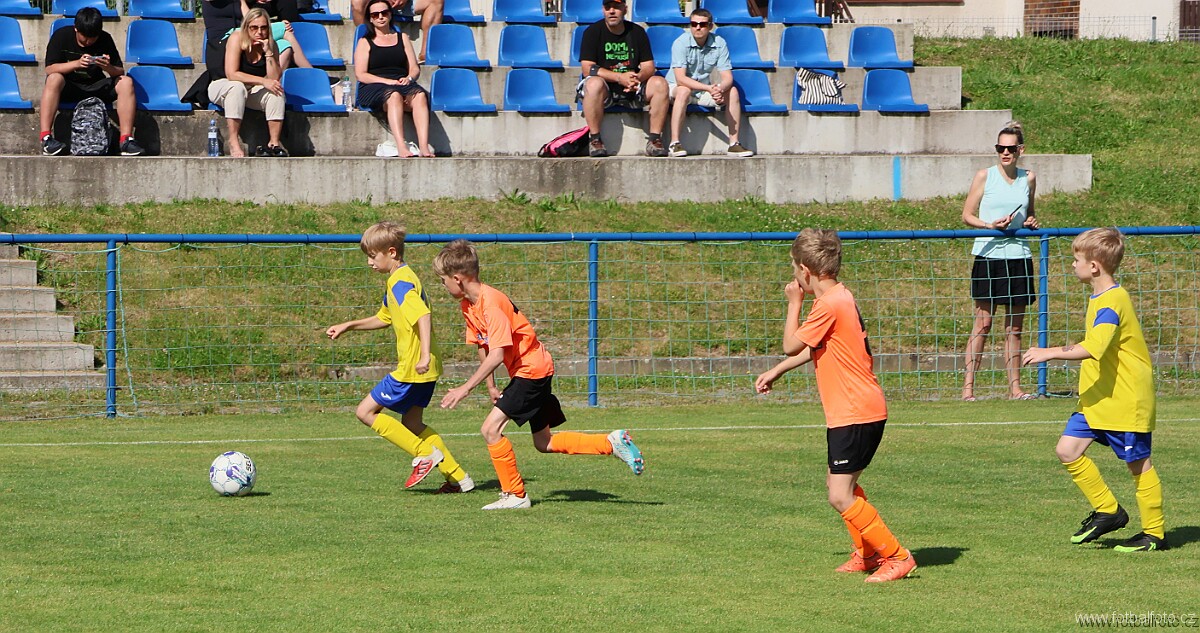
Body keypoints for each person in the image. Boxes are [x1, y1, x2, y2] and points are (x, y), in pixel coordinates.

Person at [433, 239, 645, 510]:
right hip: (533, 370)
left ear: (457, 278)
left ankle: (515, 495)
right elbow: (484, 345)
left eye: (443, 281)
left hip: (531, 371)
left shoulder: (491, 304)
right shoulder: (468, 305)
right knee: (544, 442)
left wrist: (464, 388)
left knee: (490, 429)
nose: (443, 286)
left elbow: (497, 354)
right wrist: (490, 386)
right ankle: (610, 442)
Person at [755, 229, 916, 583]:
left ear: (804, 270)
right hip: (855, 410)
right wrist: (778, 371)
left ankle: (896, 556)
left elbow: (791, 344)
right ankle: (867, 552)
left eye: (795, 270)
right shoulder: (840, 296)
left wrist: (793, 303)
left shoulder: (827, 304)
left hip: (856, 411)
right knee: (838, 485)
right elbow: (816, 346)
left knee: (839, 495)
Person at [1022, 228, 1166, 552]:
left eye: (1077, 260)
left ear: (1094, 266)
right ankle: (1109, 511)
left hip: (1125, 400)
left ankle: (1155, 534)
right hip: (1098, 398)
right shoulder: (1101, 298)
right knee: (1067, 450)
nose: (1073, 265)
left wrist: (1049, 352)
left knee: (1138, 465)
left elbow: (1095, 346)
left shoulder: (1113, 302)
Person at [325, 222, 474, 494]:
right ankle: (459, 478)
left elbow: (422, 315)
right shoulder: (400, 278)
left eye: (373, 256)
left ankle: (424, 454)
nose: (369, 262)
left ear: (391, 252)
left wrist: (423, 354)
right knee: (412, 423)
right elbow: (384, 317)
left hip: (413, 367)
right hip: (426, 368)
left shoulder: (400, 283)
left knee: (365, 412)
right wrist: (349, 325)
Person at [961, 120, 1042, 401]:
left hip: (1018, 256)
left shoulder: (1028, 178)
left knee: (1014, 328)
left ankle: (1015, 389)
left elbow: (1030, 212)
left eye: (1010, 148)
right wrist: (990, 225)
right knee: (983, 324)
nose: (1005, 153)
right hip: (989, 255)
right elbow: (967, 215)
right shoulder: (984, 176)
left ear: (1021, 150)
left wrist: (1031, 221)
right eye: (1000, 148)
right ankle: (968, 389)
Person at [39, 8, 144, 156]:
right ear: (76, 28)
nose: (88, 42)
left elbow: (119, 71)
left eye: (92, 38)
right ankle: (46, 138)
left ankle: (126, 140)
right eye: (84, 38)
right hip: (70, 87)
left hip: (96, 87)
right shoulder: (61, 36)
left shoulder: (105, 38)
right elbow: (50, 68)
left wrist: (107, 67)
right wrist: (76, 64)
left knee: (126, 82)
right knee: (54, 78)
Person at [577, 0, 670, 158]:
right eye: (608, 7)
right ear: (603, 10)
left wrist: (636, 78)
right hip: (604, 90)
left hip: (633, 87)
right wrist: (619, 78)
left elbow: (649, 66)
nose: (612, 11)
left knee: (660, 83)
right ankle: (595, 139)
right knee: (593, 83)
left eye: (617, 7)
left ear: (625, 9)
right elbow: (588, 69)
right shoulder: (592, 32)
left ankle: (655, 139)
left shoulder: (637, 32)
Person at [666, 9, 751, 158]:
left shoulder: (719, 42)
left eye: (702, 24)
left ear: (710, 26)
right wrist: (709, 88)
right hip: (676, 88)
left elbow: (727, 77)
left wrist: (720, 89)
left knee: (732, 91)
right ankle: (674, 143)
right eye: (694, 24)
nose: (698, 27)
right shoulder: (680, 42)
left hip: (702, 91)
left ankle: (734, 144)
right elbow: (680, 79)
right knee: (684, 91)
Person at [354, 0, 433, 158]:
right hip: (374, 85)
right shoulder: (365, 42)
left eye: (384, 13)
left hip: (401, 81)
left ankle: (424, 147)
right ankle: (401, 146)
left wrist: (409, 78)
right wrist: (388, 82)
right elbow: (361, 74)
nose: (380, 17)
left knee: (420, 95)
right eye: (375, 15)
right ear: (370, 19)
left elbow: (414, 68)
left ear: (390, 15)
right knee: (394, 95)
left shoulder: (402, 38)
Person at [208, 9, 289, 158]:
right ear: (246, 27)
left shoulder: (271, 44)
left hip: (250, 89)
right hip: (222, 84)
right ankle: (233, 141)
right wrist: (263, 81)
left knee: (276, 92)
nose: (259, 32)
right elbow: (232, 74)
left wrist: (268, 53)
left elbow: (274, 78)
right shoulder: (236, 38)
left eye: (263, 28)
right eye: (254, 28)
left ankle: (274, 143)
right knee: (237, 87)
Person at [201, 0, 312, 73]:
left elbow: (250, 18)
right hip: (224, 38)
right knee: (284, 29)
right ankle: (311, 73)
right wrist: (278, 26)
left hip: (242, 33)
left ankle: (271, 82)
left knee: (285, 45)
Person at [351, 0, 444, 64]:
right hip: (376, 3)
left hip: (406, 3)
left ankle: (425, 53)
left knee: (436, 1)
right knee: (357, 2)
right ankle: (366, 46)